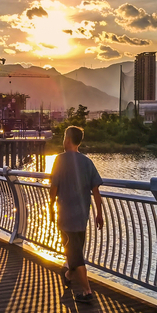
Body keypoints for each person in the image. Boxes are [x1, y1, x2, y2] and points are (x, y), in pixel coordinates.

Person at [48, 125, 104, 302]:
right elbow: (96, 191)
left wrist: (50, 208)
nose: (63, 140)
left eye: (64, 137)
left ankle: (87, 292)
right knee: (75, 252)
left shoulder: (59, 160)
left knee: (75, 254)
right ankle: (68, 277)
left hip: (66, 216)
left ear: (68, 140)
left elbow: (54, 188)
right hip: (82, 216)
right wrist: (99, 214)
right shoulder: (87, 162)